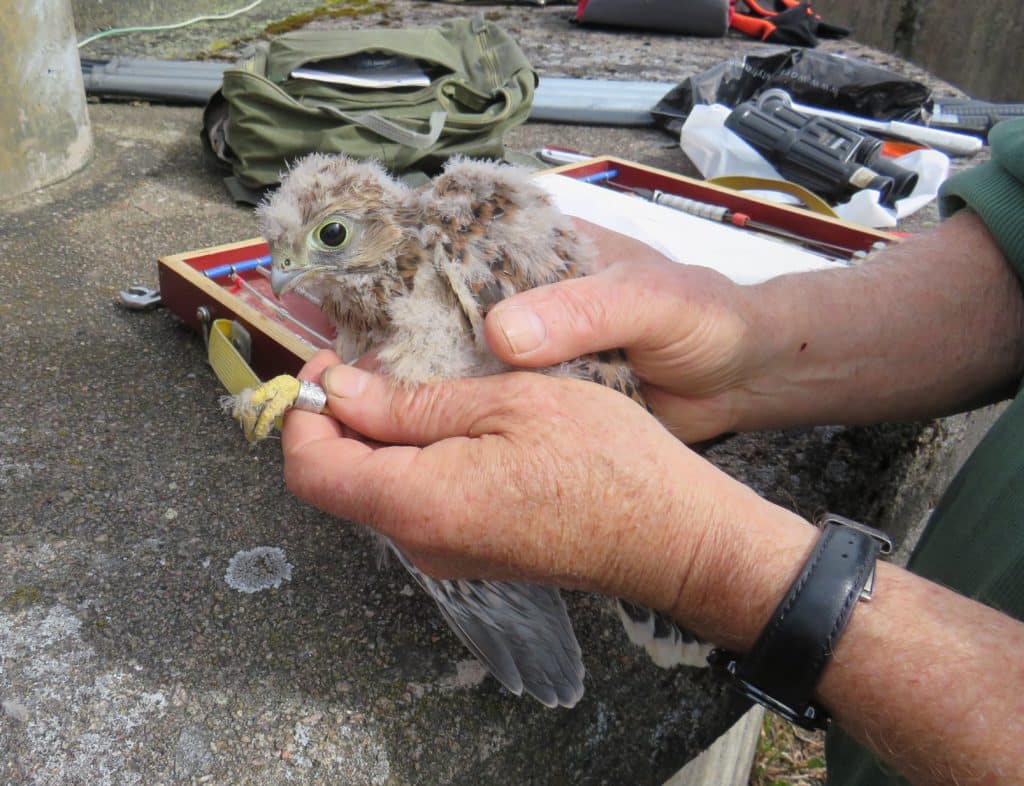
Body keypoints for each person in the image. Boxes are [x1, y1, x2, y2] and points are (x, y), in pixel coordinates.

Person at [280, 118, 1024, 786]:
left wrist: (705, 564)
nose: (290, 276)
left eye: (330, 238)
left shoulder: (462, 226)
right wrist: (751, 338)